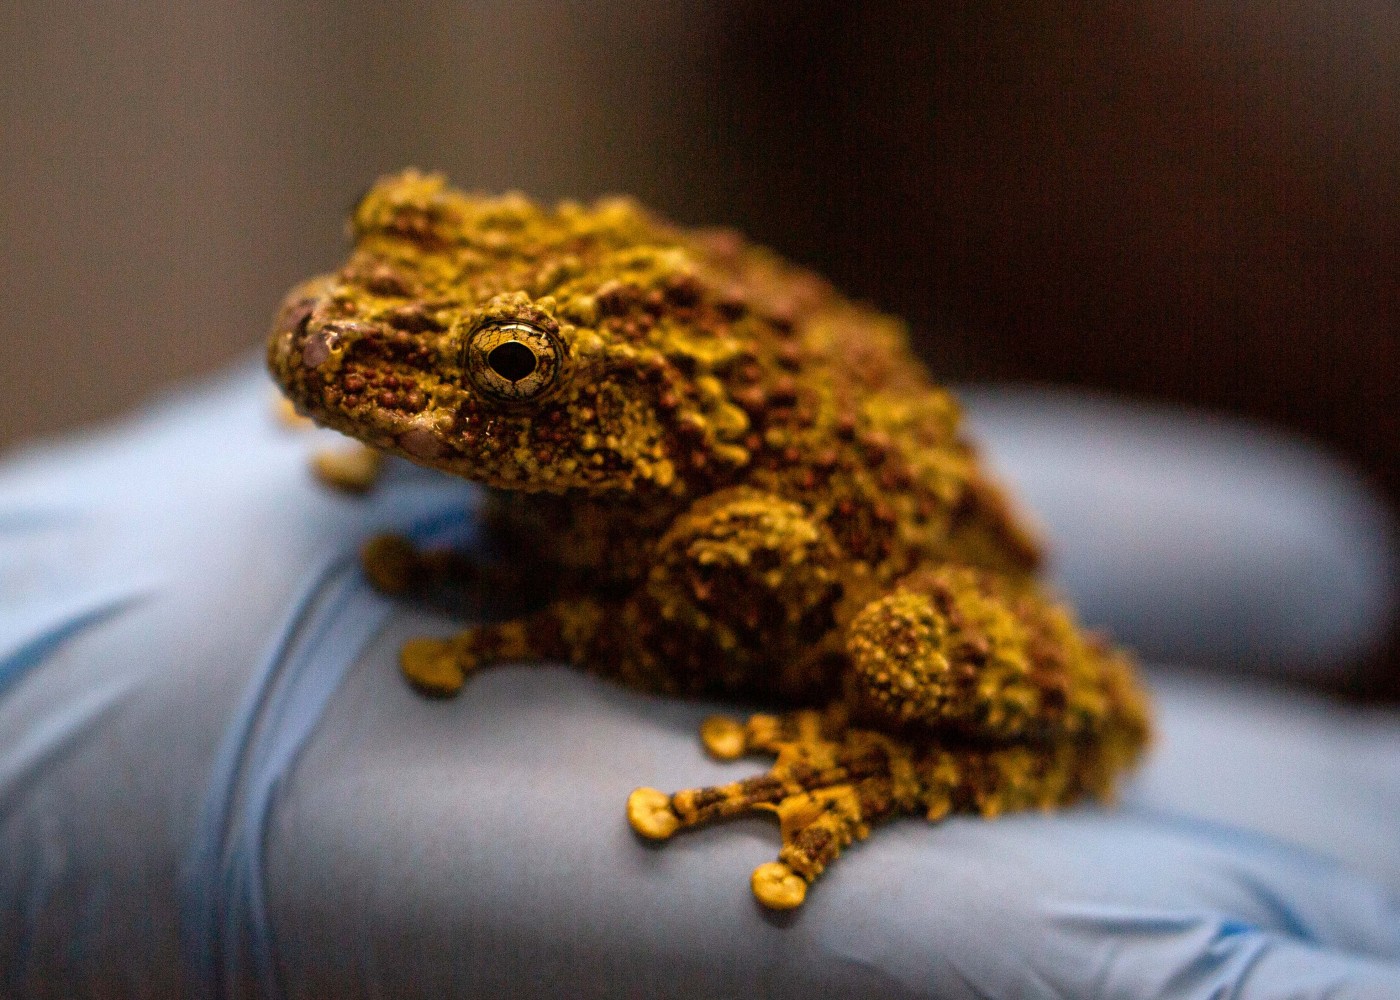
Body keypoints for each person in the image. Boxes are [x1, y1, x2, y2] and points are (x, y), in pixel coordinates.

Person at [2, 364, 1397, 998]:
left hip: (883, 571)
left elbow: (768, 562)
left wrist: (602, 632)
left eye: (499, 365)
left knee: (902, 645)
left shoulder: (693, 490)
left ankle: (950, 756)